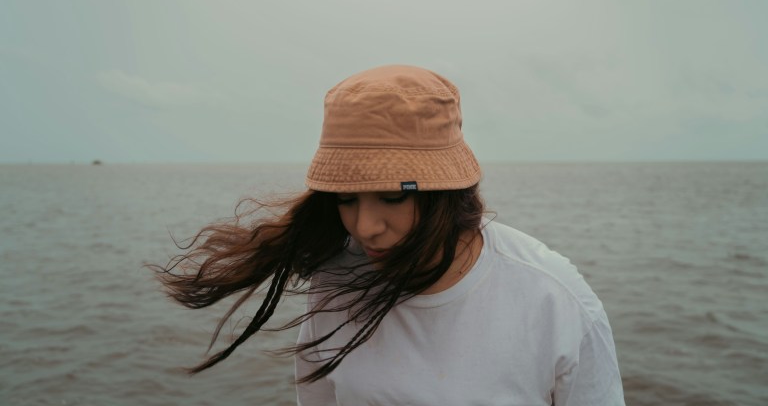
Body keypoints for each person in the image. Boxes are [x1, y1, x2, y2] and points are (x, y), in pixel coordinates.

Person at [157, 64, 625, 405]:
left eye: (393, 196)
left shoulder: (552, 298)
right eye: (346, 198)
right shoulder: (336, 282)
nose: (365, 227)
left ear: (445, 193)